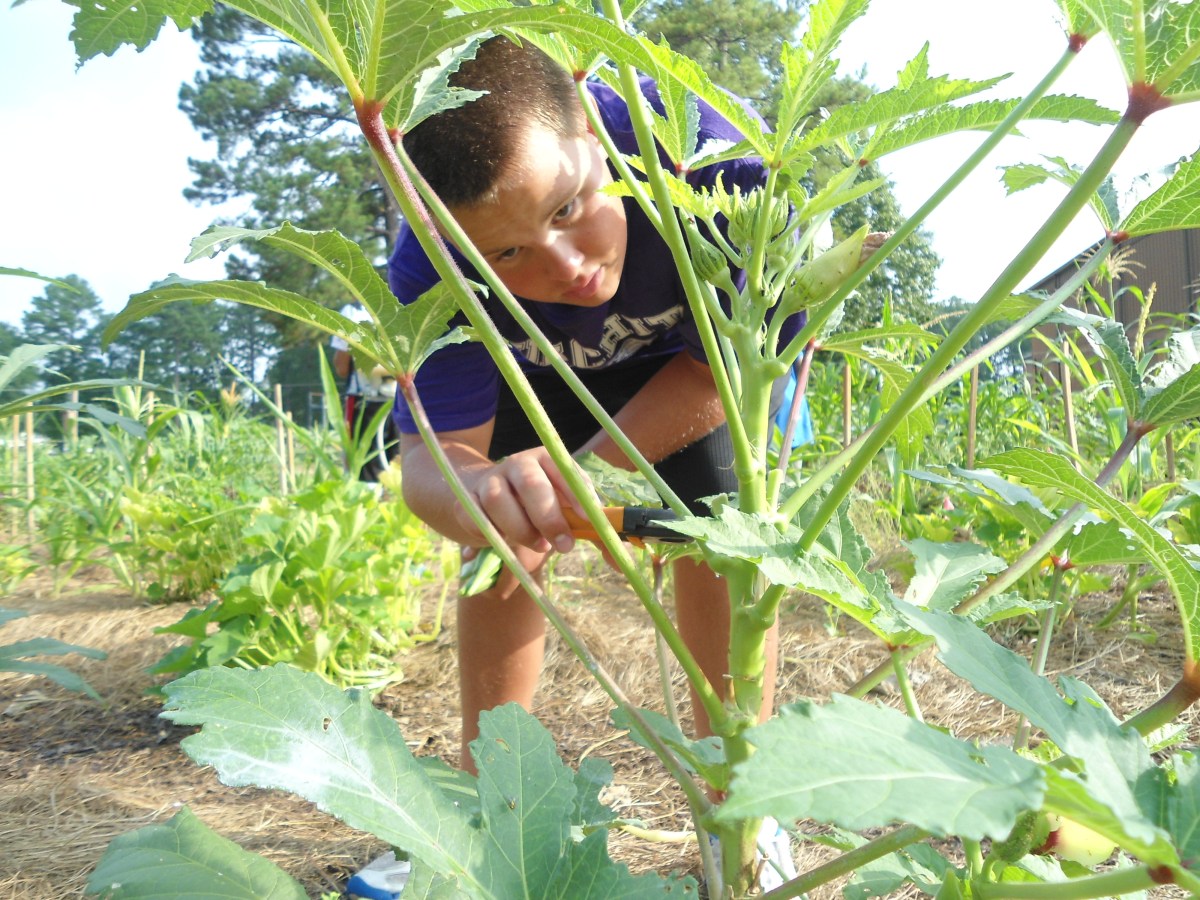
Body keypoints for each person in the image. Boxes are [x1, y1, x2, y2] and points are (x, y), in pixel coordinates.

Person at [348, 36, 802, 898]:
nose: (566, 267)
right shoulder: (427, 264)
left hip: (690, 372)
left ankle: (744, 804)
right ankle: (496, 813)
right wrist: (484, 493)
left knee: (718, 536)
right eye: (505, 257)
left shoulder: (723, 169)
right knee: (500, 549)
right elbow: (431, 459)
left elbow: (730, 367)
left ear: (593, 128)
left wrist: (590, 474)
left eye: (566, 208)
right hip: (533, 374)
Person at [331, 303, 399, 483]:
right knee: (398, 464)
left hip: (365, 399)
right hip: (402, 399)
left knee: (362, 468)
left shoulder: (352, 312)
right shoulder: (401, 304)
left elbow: (341, 366)